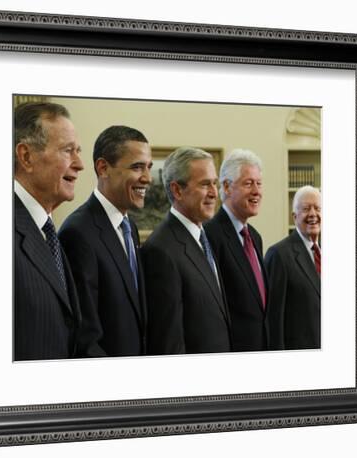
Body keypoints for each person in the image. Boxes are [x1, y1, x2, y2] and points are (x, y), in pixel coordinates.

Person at [59, 126, 152, 357]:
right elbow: (85, 337)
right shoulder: (78, 232)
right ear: (103, 168)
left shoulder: (130, 227)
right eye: (137, 167)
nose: (147, 178)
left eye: (148, 167)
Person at [141, 147, 231, 354]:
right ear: (177, 190)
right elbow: (168, 342)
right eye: (205, 184)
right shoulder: (160, 251)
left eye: (214, 184)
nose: (214, 193)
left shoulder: (203, 237)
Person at [13, 102, 84, 361]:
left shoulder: (48, 231)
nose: (79, 164)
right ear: (27, 156)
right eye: (68, 151)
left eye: (78, 151)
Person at [204, 149, 268, 351]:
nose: (256, 191)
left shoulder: (255, 237)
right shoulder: (210, 235)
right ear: (226, 187)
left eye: (259, 183)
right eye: (248, 183)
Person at [264, 185, 321, 350]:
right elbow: (274, 319)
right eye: (305, 209)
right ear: (294, 216)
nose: (312, 214)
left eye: (317, 208)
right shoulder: (279, 255)